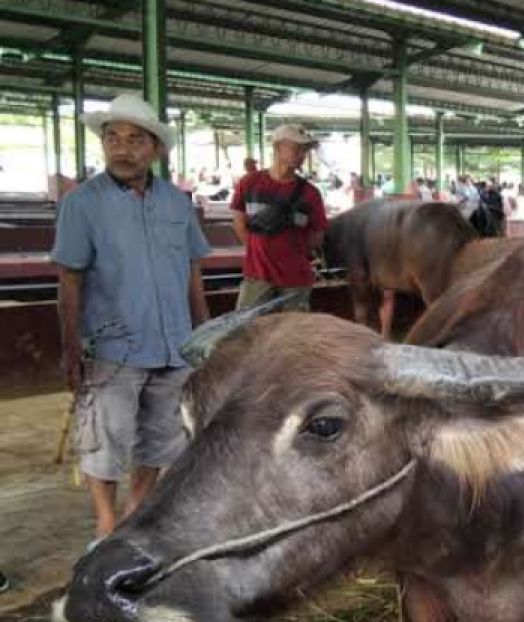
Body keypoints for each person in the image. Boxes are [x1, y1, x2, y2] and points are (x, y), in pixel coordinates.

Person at [54, 93, 211, 537]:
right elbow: (69, 281)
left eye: (135, 139)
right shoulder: (82, 204)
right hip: (113, 346)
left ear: (155, 149)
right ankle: (106, 523)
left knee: (161, 439)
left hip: (175, 344)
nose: (123, 148)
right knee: (105, 439)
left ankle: (135, 514)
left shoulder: (177, 204)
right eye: (113, 138)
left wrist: (203, 337)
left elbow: (192, 272)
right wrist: (71, 351)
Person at [231, 124, 327, 311]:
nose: (302, 154)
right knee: (245, 330)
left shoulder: (311, 193)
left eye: (304, 150)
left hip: (296, 280)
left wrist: (291, 253)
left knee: (292, 336)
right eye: (296, 148)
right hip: (257, 275)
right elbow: (238, 222)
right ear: (277, 147)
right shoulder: (249, 183)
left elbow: (317, 236)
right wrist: (258, 250)